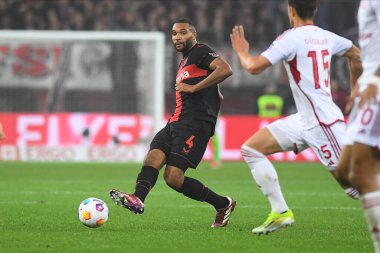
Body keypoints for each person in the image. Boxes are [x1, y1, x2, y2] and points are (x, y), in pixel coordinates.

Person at [230, 0, 362, 235]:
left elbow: (253, 67)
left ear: (291, 11)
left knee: (356, 188)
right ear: (315, 10)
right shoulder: (326, 36)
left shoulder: (289, 38)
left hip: (323, 124)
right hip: (304, 120)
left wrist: (242, 53)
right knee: (251, 149)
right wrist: (355, 91)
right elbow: (355, 54)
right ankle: (280, 212)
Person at [110, 18, 236, 228]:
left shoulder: (199, 51)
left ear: (193, 35)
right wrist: (211, 96)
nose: (177, 37)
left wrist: (195, 90)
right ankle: (137, 198)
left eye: (183, 32)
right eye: (174, 33)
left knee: (173, 178)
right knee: (153, 157)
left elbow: (225, 69)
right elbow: (218, 95)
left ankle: (223, 204)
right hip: (176, 122)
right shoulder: (185, 61)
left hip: (193, 124)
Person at [336, 1, 380, 251]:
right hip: (369, 89)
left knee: (361, 172)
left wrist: (373, 80)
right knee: (345, 171)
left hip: (377, 88)